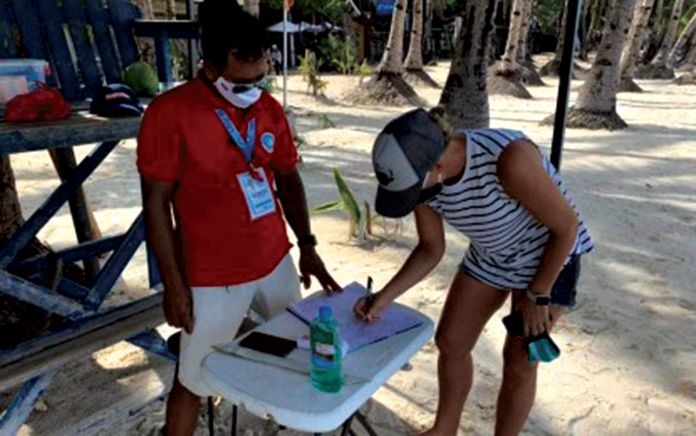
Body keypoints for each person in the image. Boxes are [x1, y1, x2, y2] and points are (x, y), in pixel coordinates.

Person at [137, 1, 340, 435]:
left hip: (273, 259)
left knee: (295, 353)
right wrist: (174, 284)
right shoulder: (169, 113)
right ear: (209, 67)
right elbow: (155, 203)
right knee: (192, 379)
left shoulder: (268, 108)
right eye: (239, 80)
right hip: (213, 274)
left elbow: (287, 177)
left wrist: (307, 245)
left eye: (260, 76)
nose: (252, 89)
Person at [355, 108, 594, 436]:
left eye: (411, 193)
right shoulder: (422, 179)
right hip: (492, 255)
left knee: (519, 361)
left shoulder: (508, 160)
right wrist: (383, 297)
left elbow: (567, 227)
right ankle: (445, 429)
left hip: (550, 259)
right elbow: (430, 248)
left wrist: (538, 294)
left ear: (438, 165)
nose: (411, 200)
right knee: (451, 341)